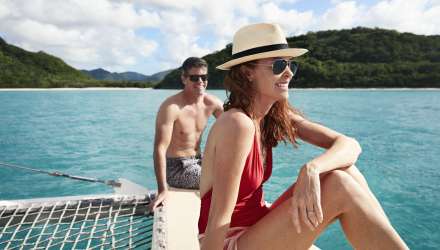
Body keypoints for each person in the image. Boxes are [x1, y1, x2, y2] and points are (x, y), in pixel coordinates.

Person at [198, 23, 408, 250]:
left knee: (347, 171)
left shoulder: (272, 115)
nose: (288, 72)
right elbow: (218, 217)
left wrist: (312, 169)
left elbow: (350, 146)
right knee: (339, 185)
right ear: (248, 72)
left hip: (257, 226)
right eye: (278, 65)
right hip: (230, 240)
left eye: (290, 65)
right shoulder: (237, 124)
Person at [150, 57, 223, 211]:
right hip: (178, 167)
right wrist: (163, 189)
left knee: (238, 169)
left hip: (200, 161)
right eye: (194, 78)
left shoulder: (212, 103)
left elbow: (236, 125)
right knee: (223, 179)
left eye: (204, 77)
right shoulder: (172, 107)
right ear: (184, 78)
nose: (200, 82)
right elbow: (159, 149)